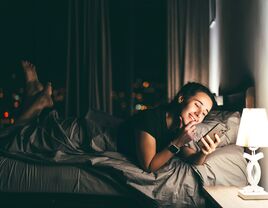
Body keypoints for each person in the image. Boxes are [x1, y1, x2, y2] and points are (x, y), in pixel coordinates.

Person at [117, 82, 221, 173]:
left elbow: (190, 157)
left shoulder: (180, 126)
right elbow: (149, 166)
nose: (199, 114)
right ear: (181, 98)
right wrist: (178, 142)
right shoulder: (150, 118)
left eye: (204, 113)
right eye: (197, 105)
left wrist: (203, 153)